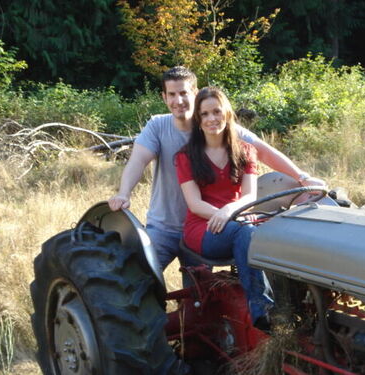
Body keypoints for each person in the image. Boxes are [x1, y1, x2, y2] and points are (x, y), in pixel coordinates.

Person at [108, 66, 325, 272]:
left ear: (195, 92)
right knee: (141, 280)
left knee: (198, 296)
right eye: (172, 94)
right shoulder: (157, 126)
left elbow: (264, 152)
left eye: (183, 93)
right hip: (165, 227)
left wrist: (302, 177)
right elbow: (138, 160)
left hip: (207, 225)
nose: (179, 100)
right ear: (164, 97)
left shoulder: (214, 124)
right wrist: (124, 193)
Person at [175, 86, 272, 326]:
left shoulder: (246, 151)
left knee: (269, 230)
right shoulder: (185, 156)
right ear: (198, 119)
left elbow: (250, 197)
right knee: (245, 231)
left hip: (236, 219)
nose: (211, 119)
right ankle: (263, 312)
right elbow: (195, 204)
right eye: (205, 114)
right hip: (203, 228)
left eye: (216, 111)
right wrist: (226, 215)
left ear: (227, 114)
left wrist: (230, 211)